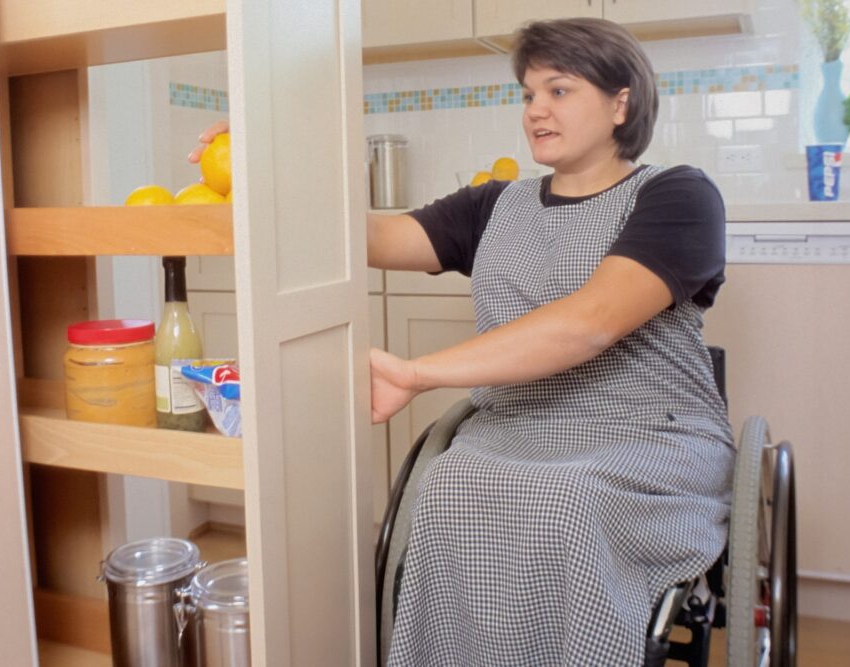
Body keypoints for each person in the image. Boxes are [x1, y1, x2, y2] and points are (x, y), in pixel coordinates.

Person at [191, 17, 733, 665]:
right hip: (516, 426)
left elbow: (592, 320)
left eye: (559, 91)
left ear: (622, 102)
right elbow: (368, 236)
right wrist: (266, 163)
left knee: (568, 498)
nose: (536, 110)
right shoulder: (493, 207)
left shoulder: (677, 194)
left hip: (648, 432)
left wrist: (417, 373)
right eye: (529, 94)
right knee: (448, 484)